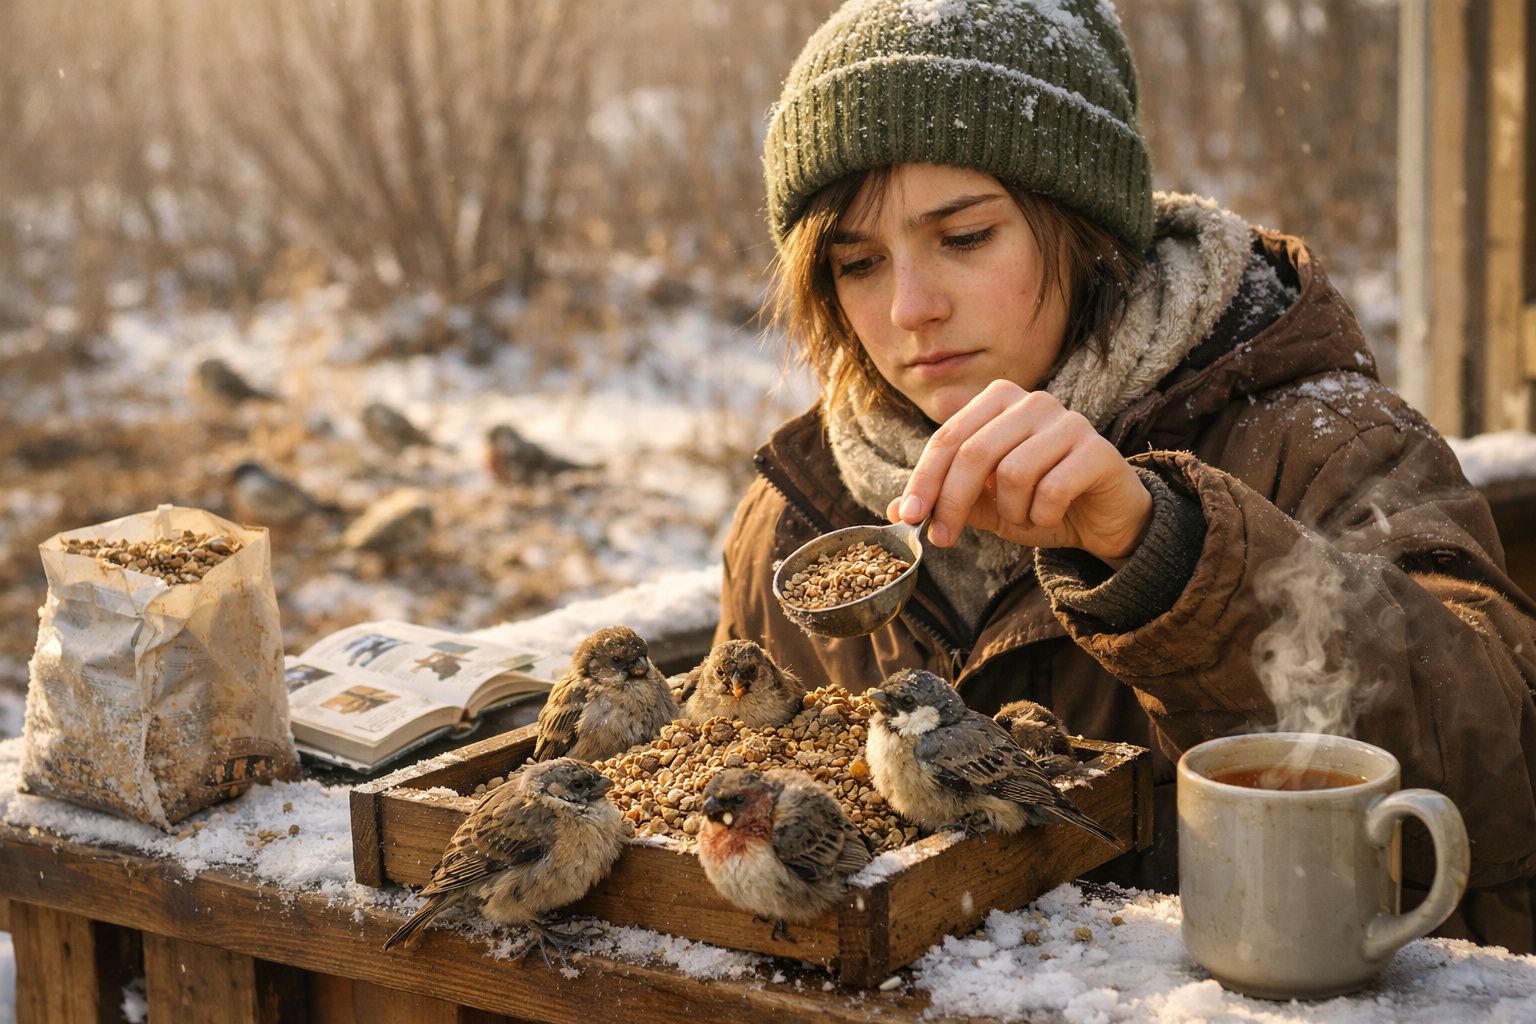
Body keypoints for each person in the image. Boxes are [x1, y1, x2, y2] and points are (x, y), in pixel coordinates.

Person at [713, 0, 1536, 953]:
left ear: (1084, 223)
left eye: (966, 237)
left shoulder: (1317, 438)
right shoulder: (793, 520)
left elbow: (1504, 766)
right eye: (858, 262)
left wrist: (1166, 551)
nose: (909, 308)